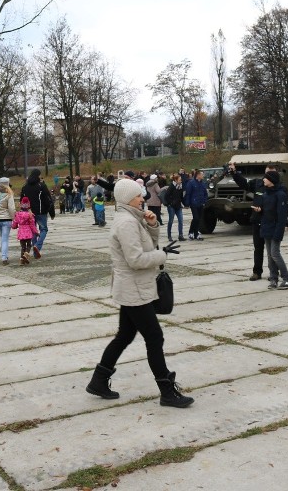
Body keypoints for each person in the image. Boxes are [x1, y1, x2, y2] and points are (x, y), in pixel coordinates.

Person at [85, 178, 193, 408]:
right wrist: (162, 255)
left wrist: (152, 225)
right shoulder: (126, 223)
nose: (142, 198)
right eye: (138, 196)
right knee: (154, 337)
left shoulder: (134, 219)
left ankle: (98, 380)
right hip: (133, 289)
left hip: (134, 287)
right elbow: (136, 260)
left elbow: (148, 247)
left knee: (124, 335)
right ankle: (167, 391)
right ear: (126, 199)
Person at [231, 162, 271, 280]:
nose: (268, 177)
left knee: (271, 250)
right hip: (257, 221)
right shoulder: (258, 183)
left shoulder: (278, 188)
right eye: (267, 173)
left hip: (269, 222)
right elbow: (244, 184)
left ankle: (274, 272)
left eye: (271, 174)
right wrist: (234, 172)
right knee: (258, 248)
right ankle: (257, 272)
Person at [257, 171, 288, 290]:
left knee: (275, 254)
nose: (263, 180)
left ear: (271, 180)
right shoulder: (266, 194)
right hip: (266, 227)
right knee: (269, 255)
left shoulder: (280, 194)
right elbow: (266, 211)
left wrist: (279, 231)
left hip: (275, 228)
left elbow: (281, 215)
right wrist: (259, 210)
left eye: (266, 178)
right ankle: (273, 279)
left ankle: (287, 279)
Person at [20, 169, 55, 259]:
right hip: (41, 212)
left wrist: (25, 211)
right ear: (38, 176)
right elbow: (48, 200)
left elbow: (22, 200)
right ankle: (37, 246)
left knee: (33, 231)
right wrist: (51, 212)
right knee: (43, 229)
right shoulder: (41, 186)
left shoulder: (25, 187)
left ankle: (35, 249)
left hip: (29, 213)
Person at [0, 177, 18, 265]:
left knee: (2, 238)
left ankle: (4, 255)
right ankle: (4, 257)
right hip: (6, 219)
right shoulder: (9, 193)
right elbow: (11, 208)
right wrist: (14, 219)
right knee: (5, 239)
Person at [13, 197, 40, 265]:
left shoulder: (17, 214)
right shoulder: (30, 215)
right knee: (29, 245)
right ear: (28, 206)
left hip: (21, 233)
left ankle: (22, 260)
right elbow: (32, 225)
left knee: (23, 247)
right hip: (28, 232)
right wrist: (36, 232)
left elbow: (15, 223)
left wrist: (14, 226)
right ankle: (26, 254)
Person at [184, 169, 208, 240]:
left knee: (199, 219)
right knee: (196, 218)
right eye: (202, 174)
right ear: (198, 175)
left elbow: (205, 194)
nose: (203, 175)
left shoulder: (203, 183)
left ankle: (196, 233)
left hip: (201, 203)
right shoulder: (191, 183)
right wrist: (187, 204)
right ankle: (191, 232)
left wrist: (204, 201)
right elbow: (188, 194)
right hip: (194, 203)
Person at [164, 173, 185, 242]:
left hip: (178, 206)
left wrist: (185, 204)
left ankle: (180, 235)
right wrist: (170, 203)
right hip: (172, 206)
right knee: (171, 221)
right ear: (175, 180)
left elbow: (181, 197)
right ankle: (169, 235)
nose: (181, 181)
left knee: (181, 221)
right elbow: (166, 196)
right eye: (179, 180)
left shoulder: (180, 187)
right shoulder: (171, 187)